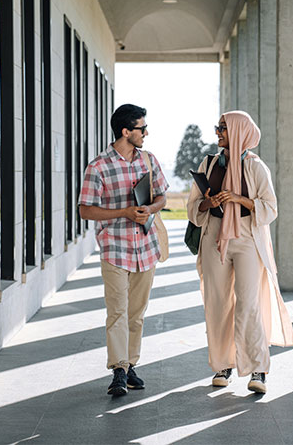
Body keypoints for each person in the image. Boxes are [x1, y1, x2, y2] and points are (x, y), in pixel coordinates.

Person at [187, 110, 293, 394]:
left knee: (249, 303)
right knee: (218, 303)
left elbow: (270, 208)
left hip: (247, 237)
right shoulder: (209, 164)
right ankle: (223, 364)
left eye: (223, 128)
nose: (218, 132)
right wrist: (208, 203)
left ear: (238, 131)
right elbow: (193, 207)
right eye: (218, 127)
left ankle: (257, 369)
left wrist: (239, 199)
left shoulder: (257, 167)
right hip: (215, 238)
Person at [79, 104, 169, 396]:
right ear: (125, 131)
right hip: (115, 248)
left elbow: (162, 197)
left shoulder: (149, 160)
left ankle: (131, 366)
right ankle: (118, 369)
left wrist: (148, 209)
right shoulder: (98, 166)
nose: (146, 133)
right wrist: (124, 212)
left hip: (146, 246)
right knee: (117, 311)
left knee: (136, 313)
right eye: (141, 128)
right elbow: (85, 210)